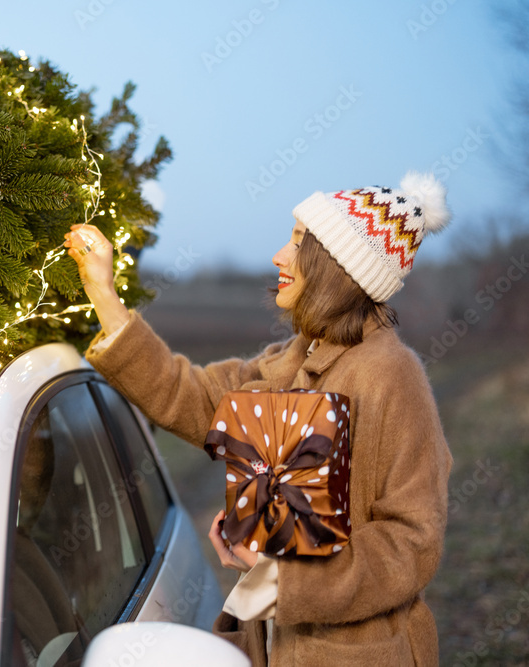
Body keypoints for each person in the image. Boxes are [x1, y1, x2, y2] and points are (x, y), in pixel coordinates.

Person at [64, 172, 452, 666]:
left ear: (336, 266)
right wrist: (104, 295)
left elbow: (411, 542)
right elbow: (192, 397)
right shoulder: (289, 359)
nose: (278, 257)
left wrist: (280, 578)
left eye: (296, 243)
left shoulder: (393, 377)